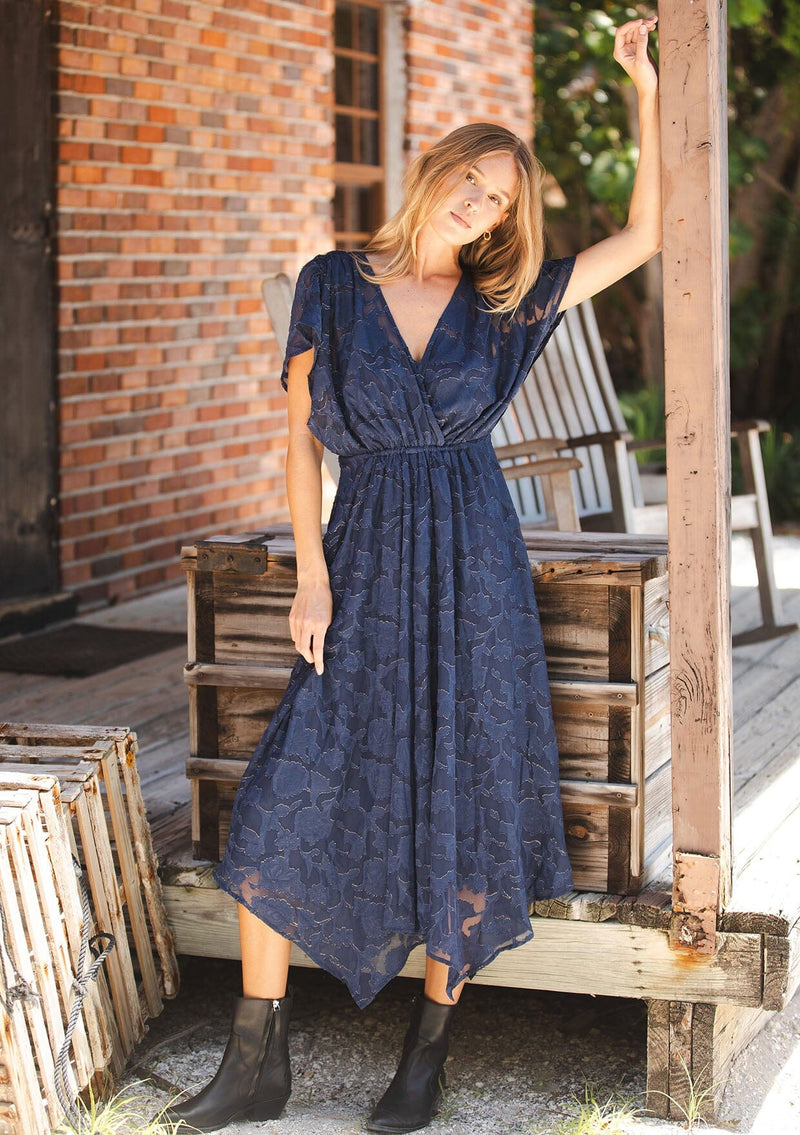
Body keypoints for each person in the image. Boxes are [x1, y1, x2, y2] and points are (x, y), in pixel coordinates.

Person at [164, 14, 660, 1134]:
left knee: (467, 793)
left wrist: (636, 83)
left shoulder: (506, 304)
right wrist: (309, 579)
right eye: (473, 182)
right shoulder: (331, 283)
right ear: (435, 171)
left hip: (475, 564)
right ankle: (257, 1061)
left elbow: (644, 231)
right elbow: (296, 434)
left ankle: (423, 1063)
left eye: (500, 201)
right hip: (364, 553)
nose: (481, 206)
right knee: (287, 788)